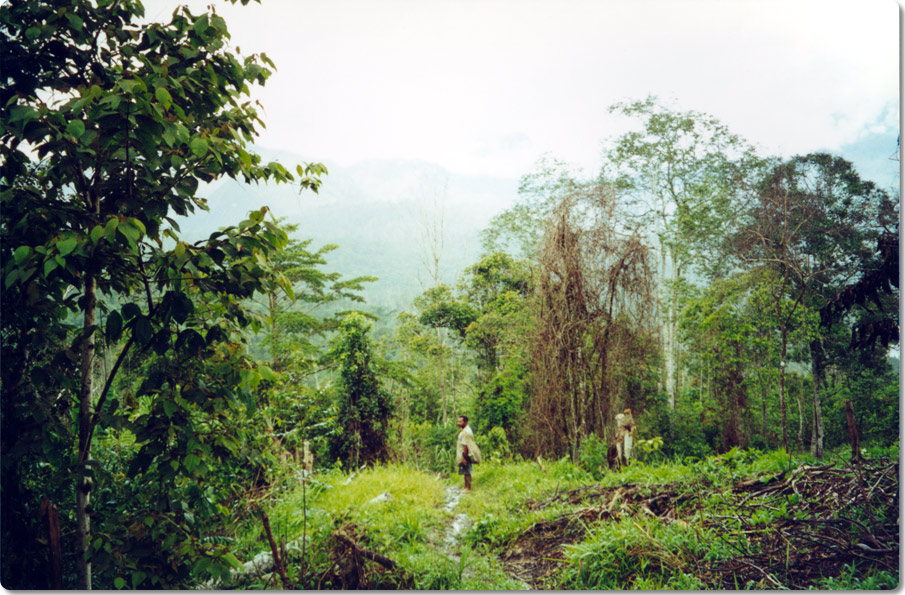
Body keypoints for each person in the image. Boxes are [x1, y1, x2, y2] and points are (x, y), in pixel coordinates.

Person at [455, 415, 481, 491]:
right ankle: (466, 487)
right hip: (464, 454)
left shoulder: (466, 432)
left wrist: (464, 457)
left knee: (467, 472)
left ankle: (468, 488)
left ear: (465, 422)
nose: (458, 423)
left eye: (460, 421)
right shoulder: (464, 430)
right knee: (465, 471)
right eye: (458, 421)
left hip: (466, 455)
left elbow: (466, 445)